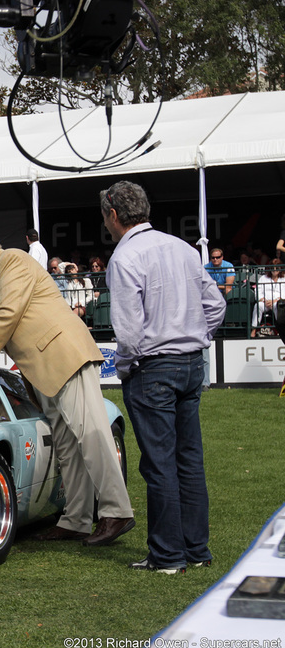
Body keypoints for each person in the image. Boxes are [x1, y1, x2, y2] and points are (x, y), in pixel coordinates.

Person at [0, 225, 134, 547]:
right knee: (67, 445)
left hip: (64, 357)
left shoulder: (13, 260)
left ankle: (116, 511)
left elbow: (9, 314)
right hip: (49, 367)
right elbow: (12, 317)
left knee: (91, 435)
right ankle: (76, 519)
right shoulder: (4, 273)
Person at [101, 181, 226, 574]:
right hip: (190, 362)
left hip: (153, 366)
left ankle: (169, 557)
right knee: (188, 460)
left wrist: (126, 365)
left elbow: (129, 331)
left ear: (114, 215)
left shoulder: (125, 257)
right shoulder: (182, 248)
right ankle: (196, 550)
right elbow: (216, 304)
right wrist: (196, 336)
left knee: (160, 464)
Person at [251, 259, 285, 337]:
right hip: (265, 302)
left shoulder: (284, 278)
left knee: (279, 307)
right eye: (273, 268)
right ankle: (254, 329)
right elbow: (258, 291)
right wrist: (264, 300)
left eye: (277, 268)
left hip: (277, 301)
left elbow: (284, 293)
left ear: (280, 269)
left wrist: (275, 301)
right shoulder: (263, 278)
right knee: (258, 306)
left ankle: (280, 330)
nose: (274, 270)